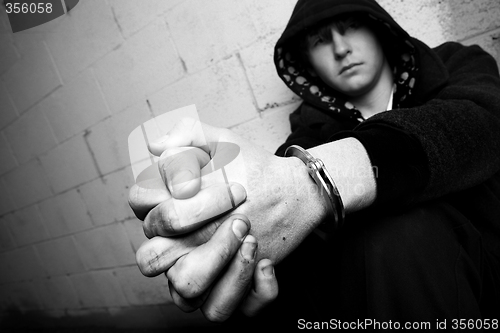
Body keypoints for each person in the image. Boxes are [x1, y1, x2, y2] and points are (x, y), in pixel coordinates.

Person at [129, 0, 500, 328]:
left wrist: (313, 185)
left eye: (351, 26)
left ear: (378, 27)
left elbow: (482, 126)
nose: (341, 48)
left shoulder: (455, 65)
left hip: (483, 268)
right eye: (321, 40)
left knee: (403, 228)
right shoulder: (302, 145)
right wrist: (234, 248)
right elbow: (290, 247)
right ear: (307, 63)